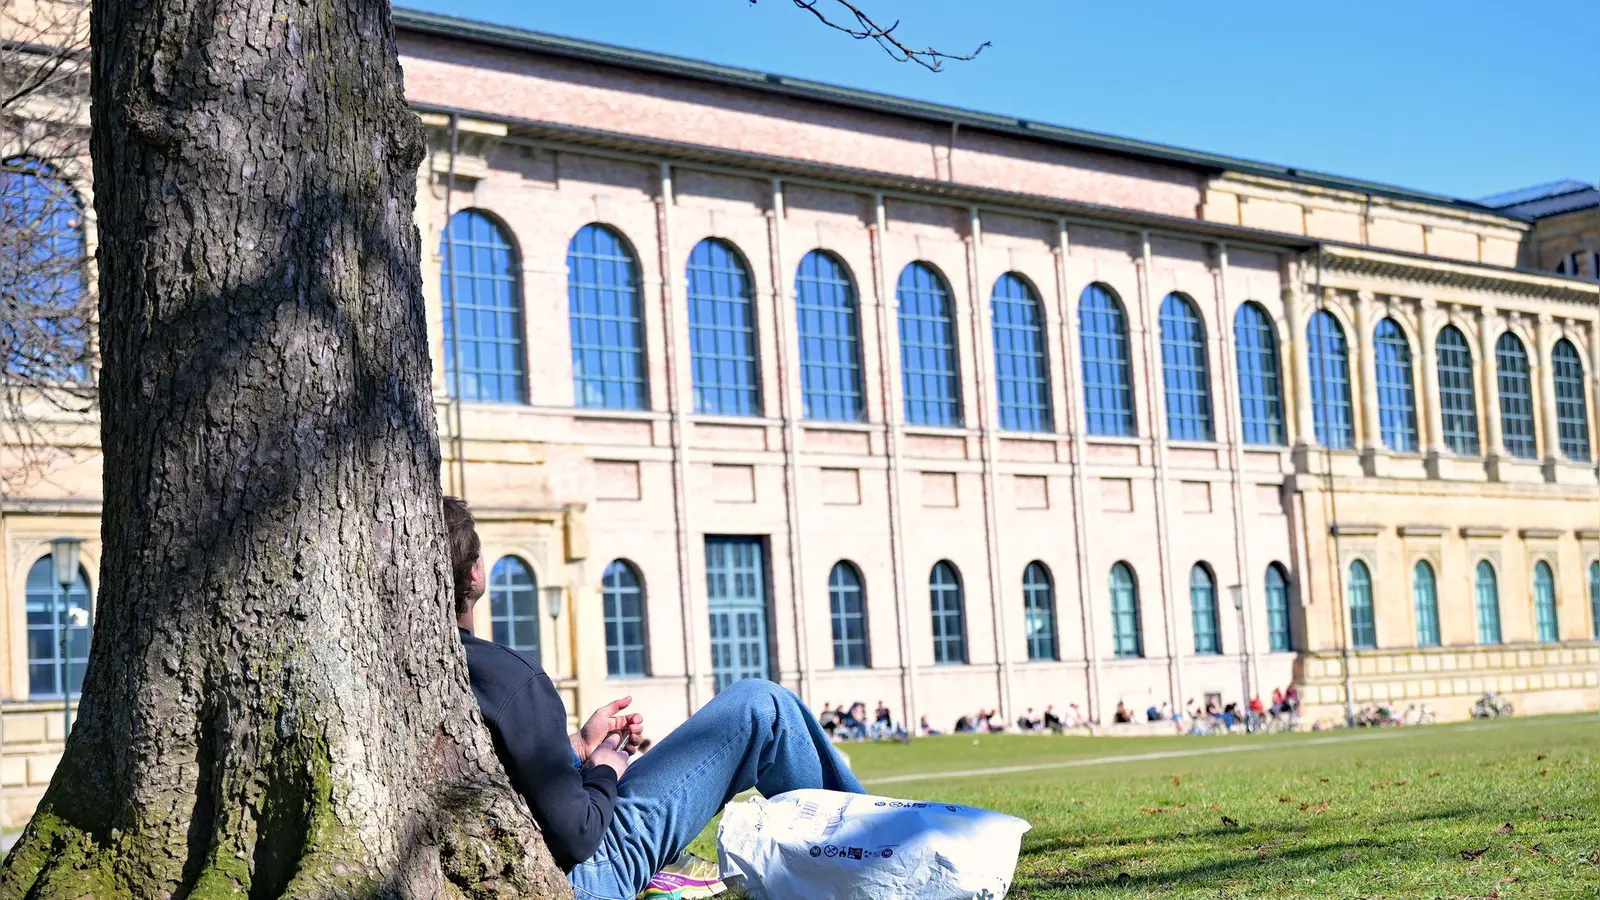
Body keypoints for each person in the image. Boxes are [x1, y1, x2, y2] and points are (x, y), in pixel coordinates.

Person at [443, 497, 864, 900]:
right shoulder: (509, 676)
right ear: (475, 573)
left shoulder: (436, 668)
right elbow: (578, 836)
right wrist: (605, 770)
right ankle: (881, 845)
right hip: (584, 873)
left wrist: (576, 749)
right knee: (761, 707)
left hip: (533, 856)